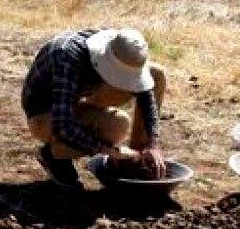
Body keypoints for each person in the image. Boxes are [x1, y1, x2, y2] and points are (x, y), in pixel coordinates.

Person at [22, 28, 167, 190]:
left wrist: (152, 143)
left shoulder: (121, 47)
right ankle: (54, 155)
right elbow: (62, 125)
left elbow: (146, 93)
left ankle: (137, 156)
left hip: (82, 94)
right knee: (117, 126)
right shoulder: (67, 57)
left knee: (156, 74)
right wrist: (107, 150)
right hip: (45, 113)